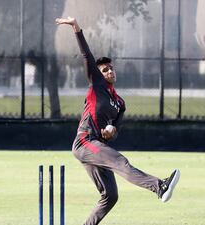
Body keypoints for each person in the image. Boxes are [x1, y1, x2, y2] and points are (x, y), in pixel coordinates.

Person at [56, 17, 180, 225]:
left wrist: (110, 132)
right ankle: (160, 187)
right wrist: (76, 28)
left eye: (111, 68)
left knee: (110, 196)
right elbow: (87, 55)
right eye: (105, 70)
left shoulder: (120, 103)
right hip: (85, 142)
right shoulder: (97, 86)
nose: (110, 71)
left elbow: (115, 133)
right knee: (120, 162)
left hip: (98, 145)